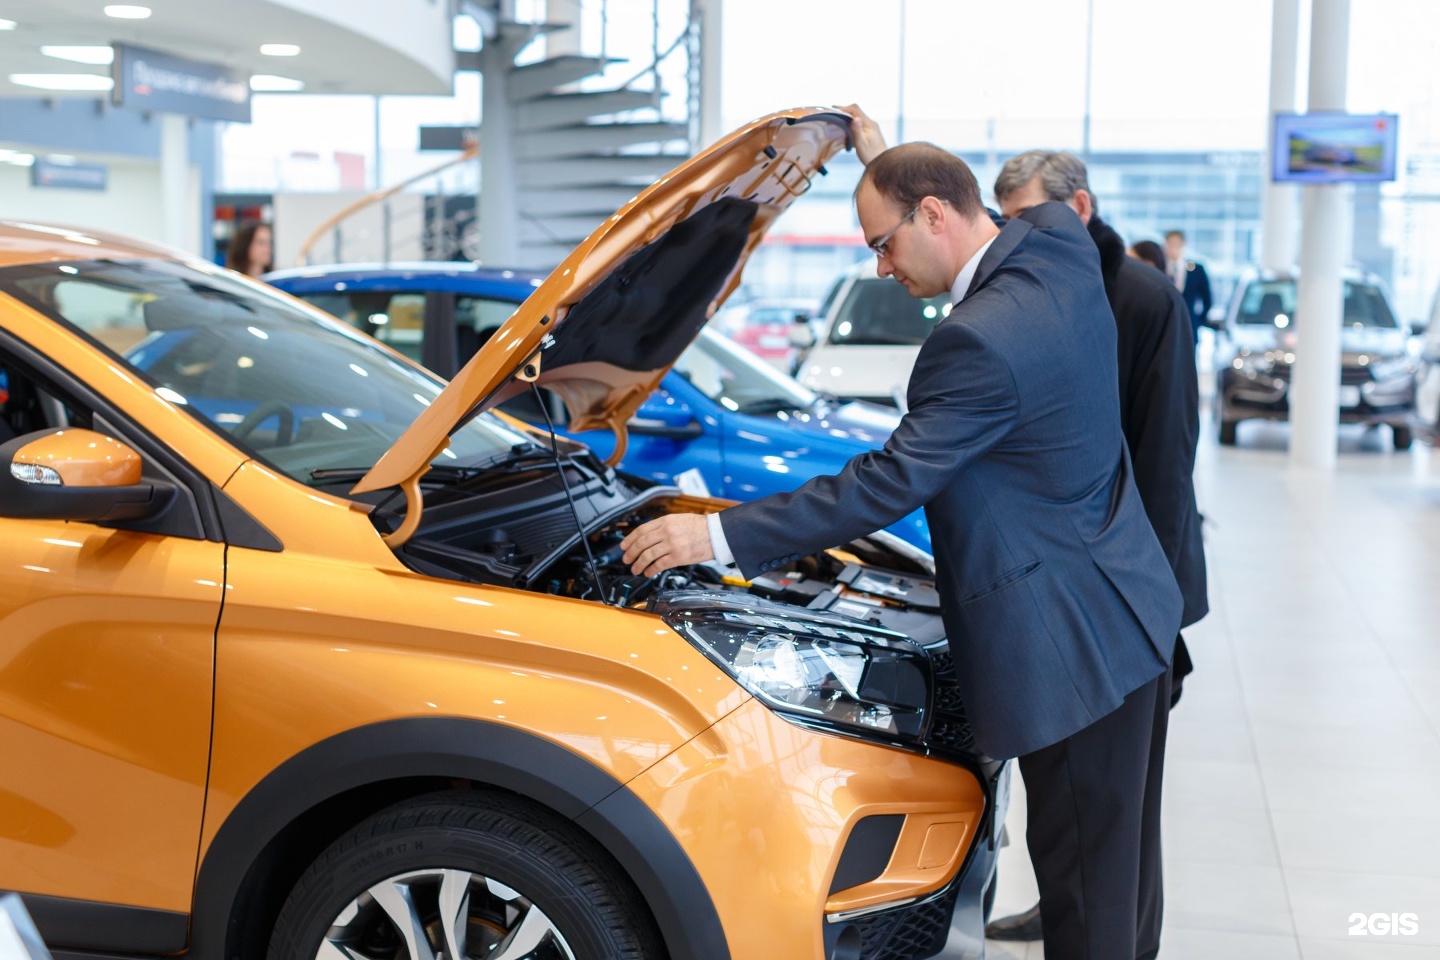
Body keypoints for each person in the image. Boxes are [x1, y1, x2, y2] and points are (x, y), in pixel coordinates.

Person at [621, 124, 1183, 960]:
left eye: (883, 244)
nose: (882, 267)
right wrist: (884, 156)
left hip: (1069, 647)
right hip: (1131, 603)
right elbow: (963, 195)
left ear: (932, 215)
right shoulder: (1059, 246)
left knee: (1080, 886)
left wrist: (719, 535)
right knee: (1121, 864)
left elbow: (886, 482)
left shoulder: (980, 339)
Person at [984, 151, 1208, 953]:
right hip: (1075, 591)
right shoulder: (1043, 292)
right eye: (1005, 222)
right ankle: (1065, 917)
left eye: (1029, 219)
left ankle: (1115, 938)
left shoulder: (1143, 300)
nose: (1016, 236)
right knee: (1087, 810)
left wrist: (1155, 613)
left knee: (1116, 808)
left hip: (1126, 592)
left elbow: (1165, 461)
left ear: (1079, 206)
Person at [1164, 229, 1212, 342]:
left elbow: (1207, 299)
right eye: (1170, 244)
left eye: (1176, 244)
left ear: (1182, 245)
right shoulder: (1160, 268)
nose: (1173, 248)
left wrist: (1199, 320)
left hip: (1189, 323)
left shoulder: (1196, 269)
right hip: (1165, 325)